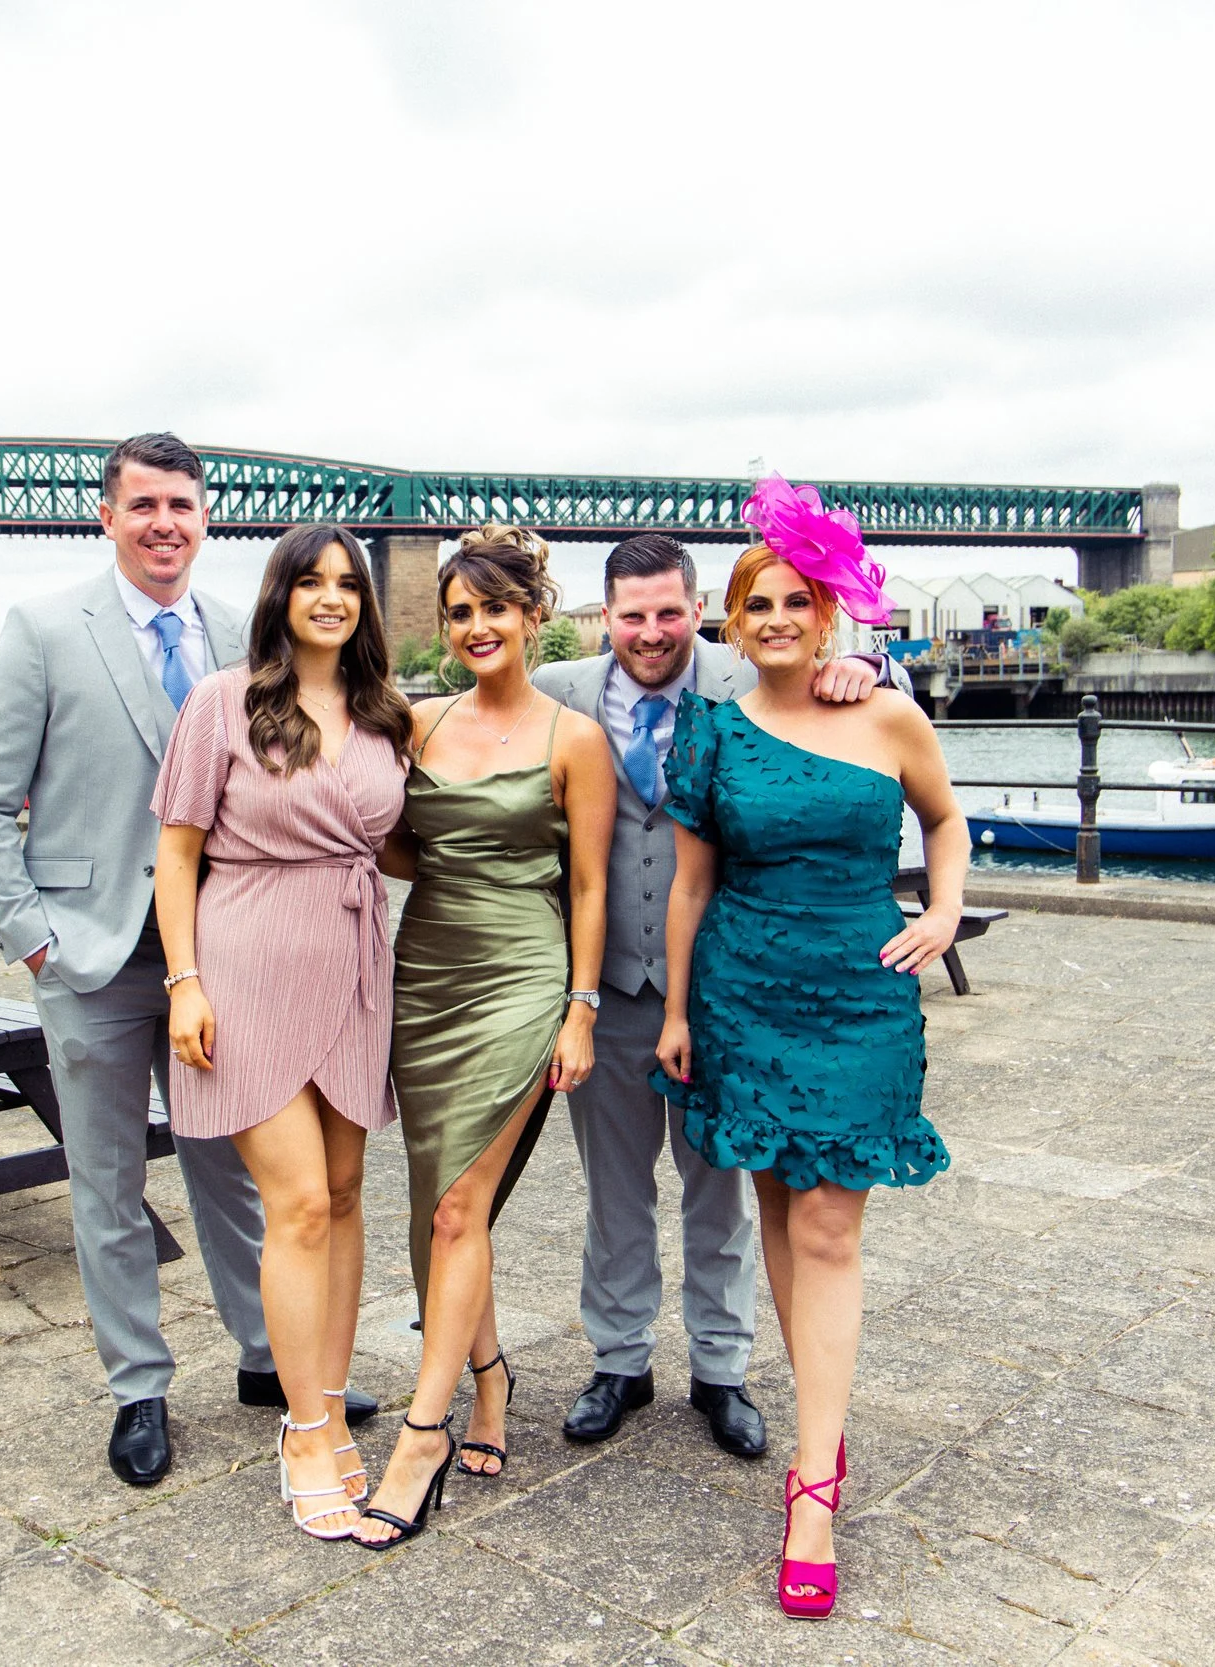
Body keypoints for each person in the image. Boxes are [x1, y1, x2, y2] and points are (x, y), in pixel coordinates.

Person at [0, 432, 373, 1492]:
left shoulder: (244, 633)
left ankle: (268, 1355)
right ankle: (138, 1383)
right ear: (108, 515)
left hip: (225, 954)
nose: (164, 523)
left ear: (206, 514)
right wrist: (33, 936)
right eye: (142, 504)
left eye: (181, 503)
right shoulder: (43, 630)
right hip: (89, 952)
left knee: (237, 1172)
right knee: (107, 1181)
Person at [652, 477, 969, 1622]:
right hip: (742, 989)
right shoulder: (712, 728)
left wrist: (940, 911)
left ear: (829, 613)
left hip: (857, 993)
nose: (779, 616)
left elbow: (944, 816)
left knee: (829, 1218)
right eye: (758, 603)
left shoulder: (885, 713)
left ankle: (814, 1485)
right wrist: (679, 1012)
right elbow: (690, 883)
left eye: (797, 599)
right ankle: (813, 1413)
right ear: (731, 623)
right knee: (781, 1209)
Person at [534, 534, 898, 1457]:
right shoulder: (563, 690)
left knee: (722, 1190)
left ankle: (722, 1369)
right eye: (631, 615)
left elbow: (866, 705)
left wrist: (867, 657)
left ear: (698, 609)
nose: (651, 632)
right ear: (604, 614)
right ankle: (619, 1359)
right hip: (609, 983)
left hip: (724, 986)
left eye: (668, 612)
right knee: (613, 1188)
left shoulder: (752, 672)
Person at [353, 524, 616, 1547]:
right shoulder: (417, 726)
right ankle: (491, 1377)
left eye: (493, 609)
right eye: (459, 612)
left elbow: (588, 883)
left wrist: (580, 1005)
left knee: (460, 1205)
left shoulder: (573, 739)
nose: (475, 627)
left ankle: (422, 1434)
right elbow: (402, 846)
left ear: (531, 615)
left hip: (521, 978)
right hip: (425, 975)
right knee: (439, 1205)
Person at [151, 524, 411, 1539]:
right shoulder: (223, 701)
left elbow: (518, 707)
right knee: (297, 1202)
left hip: (353, 962)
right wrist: (184, 981)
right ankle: (303, 1428)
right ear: (281, 595)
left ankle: (334, 1405)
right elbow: (175, 854)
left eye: (349, 583)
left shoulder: (389, 715)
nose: (332, 596)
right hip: (247, 959)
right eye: (311, 581)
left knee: (345, 1197)